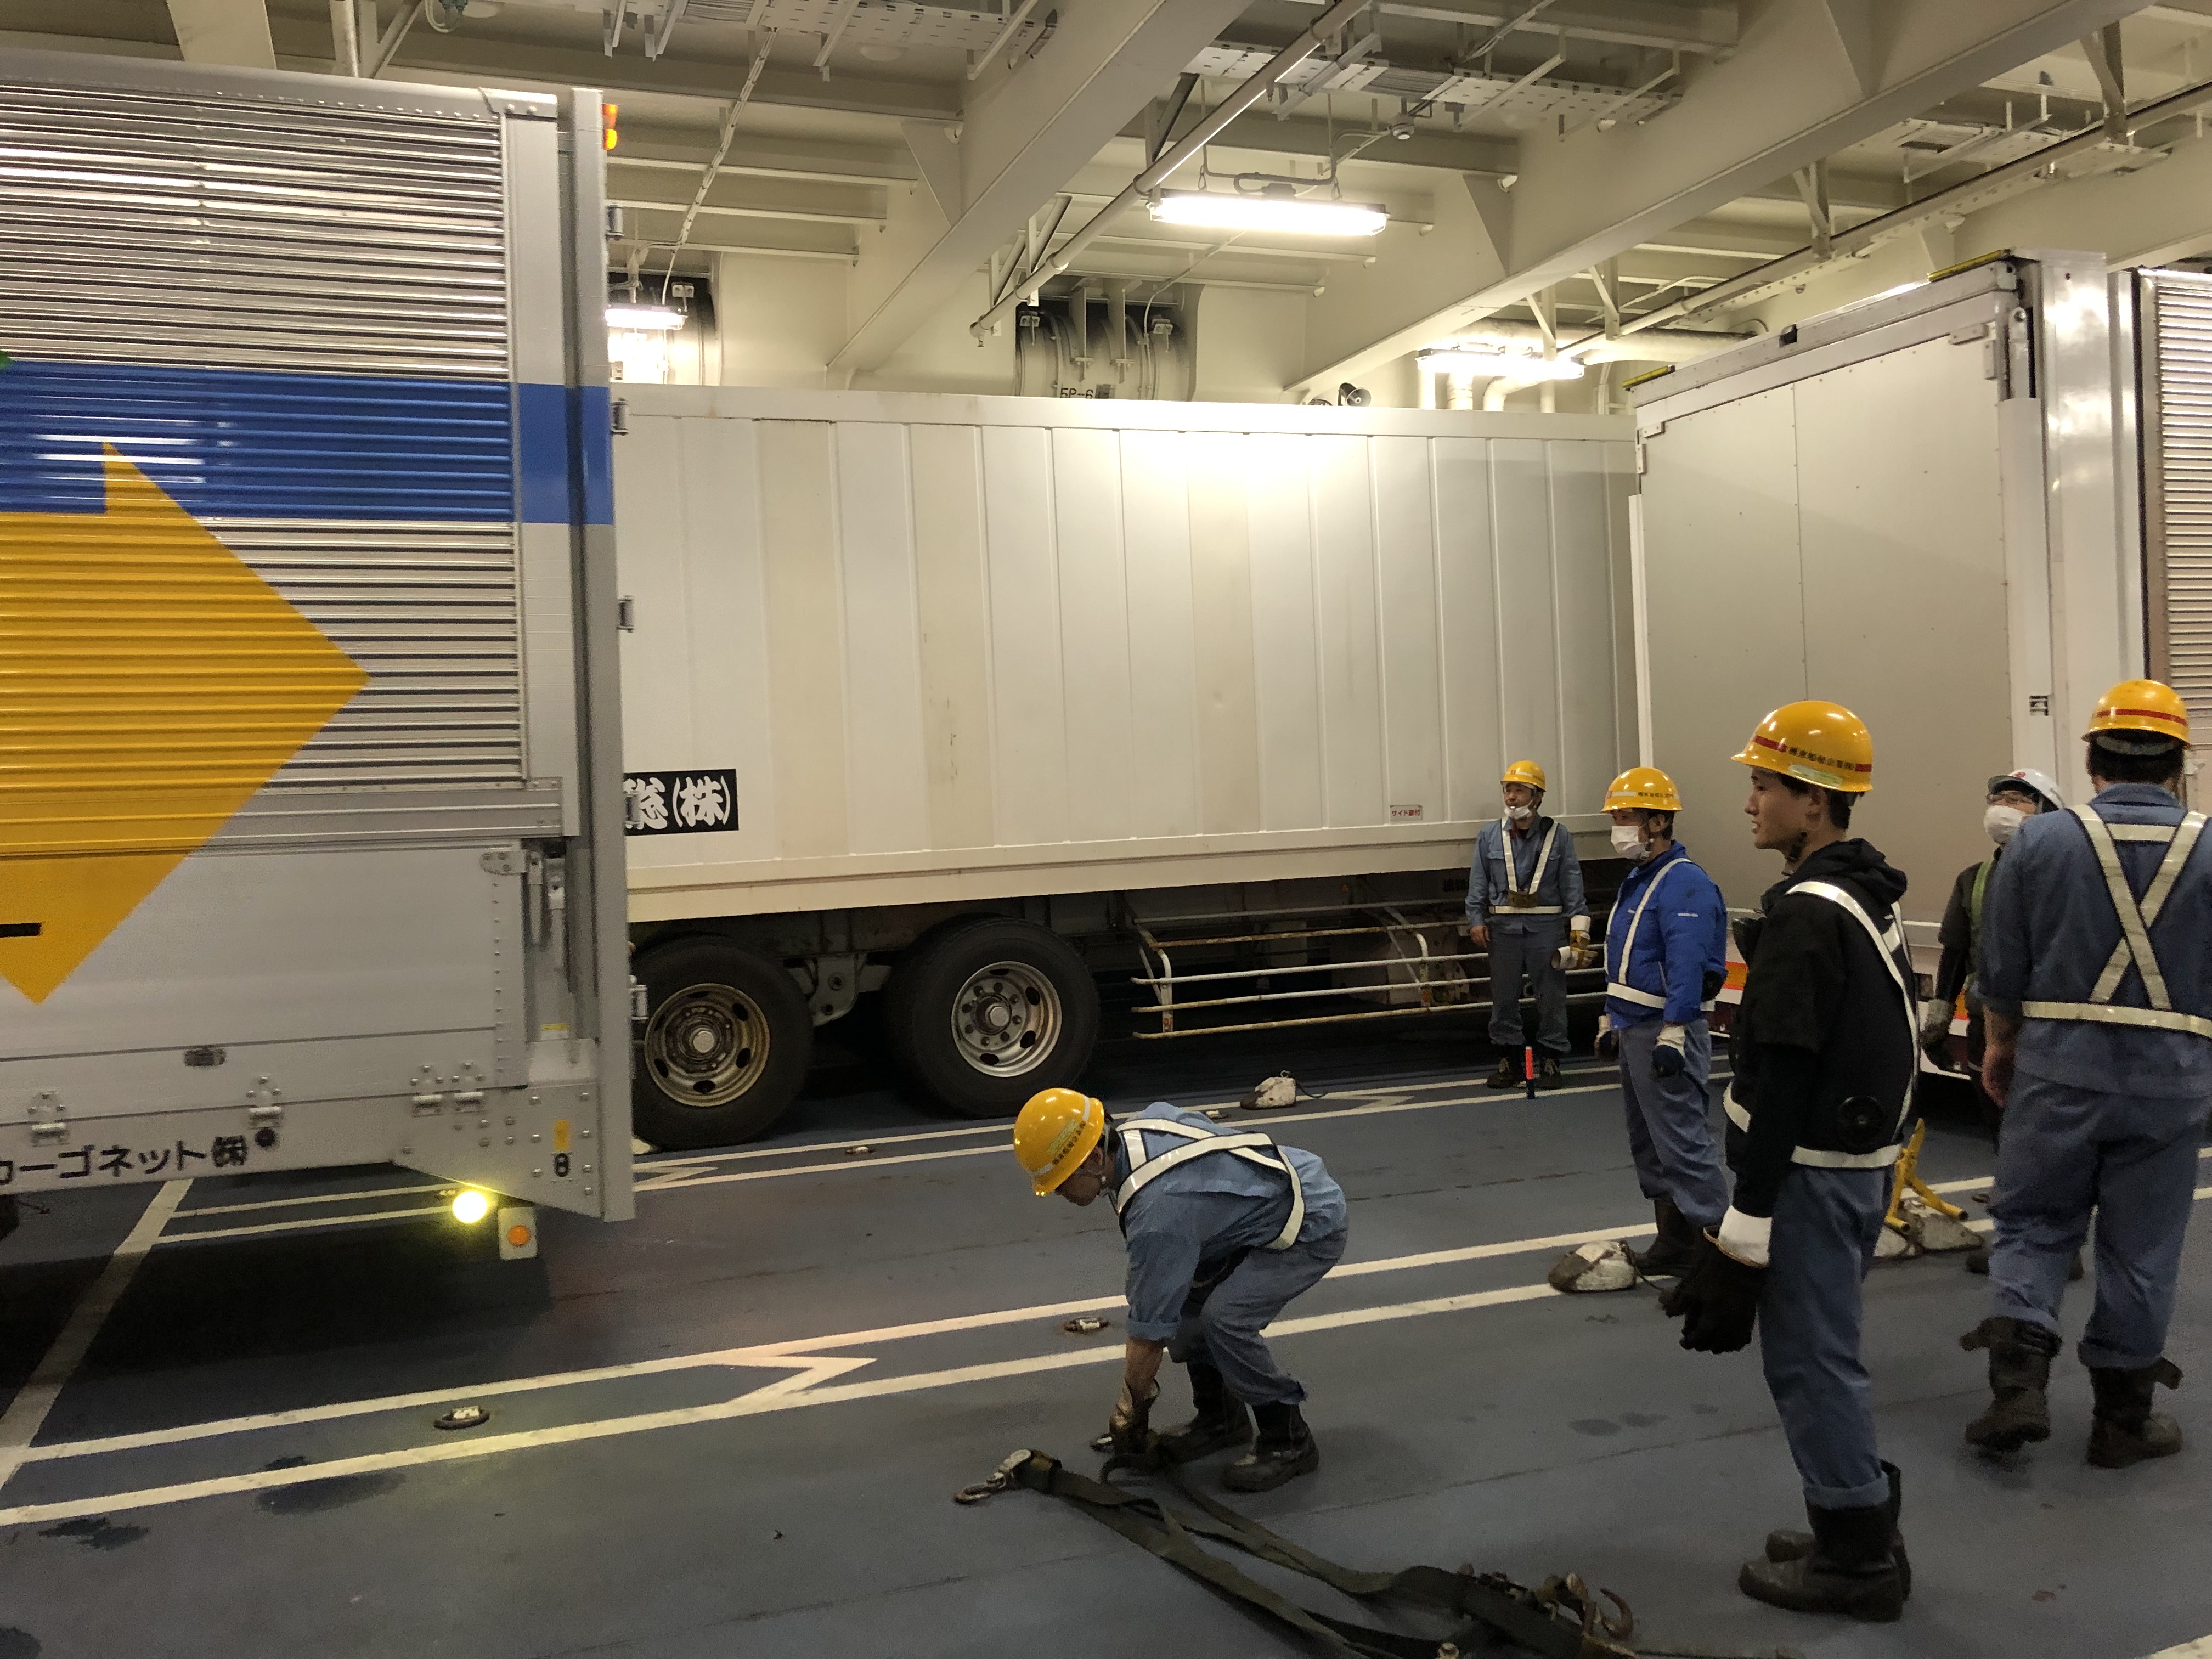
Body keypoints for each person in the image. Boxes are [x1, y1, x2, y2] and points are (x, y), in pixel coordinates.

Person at [1660, 701, 1916, 1623]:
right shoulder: (1861, 892)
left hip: (1811, 1175)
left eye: (1763, 785)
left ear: (1814, 801)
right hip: (1852, 1169)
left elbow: (1786, 1075)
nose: (1749, 803)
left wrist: (1745, 1223)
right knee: (1823, 1351)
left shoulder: (1809, 915)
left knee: (1810, 1361)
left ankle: (1856, 1559)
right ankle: (1856, 1520)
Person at [1962, 679, 2209, 1469]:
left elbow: (2000, 971)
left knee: (2034, 1224)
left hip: (2057, 1071)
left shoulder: (2038, 844)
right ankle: (2123, 1422)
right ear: (2179, 764)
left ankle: (2017, 1388)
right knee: (2143, 1250)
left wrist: (2000, 1048)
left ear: (2094, 760)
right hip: (2171, 1084)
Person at [1012, 1087, 1350, 1491]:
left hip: (1309, 1222)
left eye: (1062, 1181)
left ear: (1096, 1159)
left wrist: (1130, 1412)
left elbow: (1148, 1332)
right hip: (1262, 1202)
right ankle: (1221, 1420)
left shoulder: (1158, 1214)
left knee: (1225, 1320)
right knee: (1187, 1308)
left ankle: (1288, 1438)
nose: (1058, 1193)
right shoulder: (1144, 1125)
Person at [1924, 768, 2068, 1278]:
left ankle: (2053, 1247)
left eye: (2019, 799)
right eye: (1999, 797)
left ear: (2048, 813)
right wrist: (1939, 1015)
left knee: (2044, 1135)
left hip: (2045, 1026)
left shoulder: (2065, 876)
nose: (2004, 807)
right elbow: (1955, 951)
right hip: (1987, 1023)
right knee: (2002, 1129)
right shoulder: (1975, 879)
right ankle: (2018, 1235)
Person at [1593, 765, 1730, 1278]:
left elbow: (1688, 961)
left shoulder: (1684, 882)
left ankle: (1718, 1261)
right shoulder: (1641, 878)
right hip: (1635, 1026)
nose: (1618, 828)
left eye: (1625, 817)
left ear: (1657, 822)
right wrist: (1610, 1020)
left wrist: (1675, 1032)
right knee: (1650, 1144)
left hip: (1663, 1029)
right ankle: (1675, 1244)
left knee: (1683, 1145)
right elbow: (1627, 954)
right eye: (1616, 818)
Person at [1468, 760, 1589, 1090]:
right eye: (1508, 790)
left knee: (1551, 998)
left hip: (1546, 928)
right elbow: (1478, 882)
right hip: (1502, 929)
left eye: (1519, 790)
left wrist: (1579, 933)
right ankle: (1509, 1058)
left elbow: (1572, 884)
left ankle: (1551, 1058)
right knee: (1503, 998)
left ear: (1537, 797)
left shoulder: (1559, 836)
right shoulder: (1489, 836)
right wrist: (1476, 919)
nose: (1511, 797)